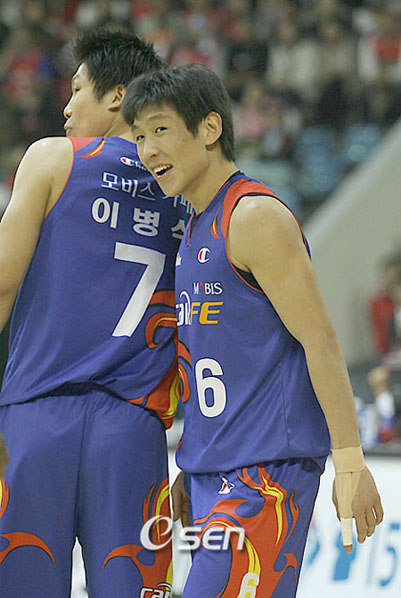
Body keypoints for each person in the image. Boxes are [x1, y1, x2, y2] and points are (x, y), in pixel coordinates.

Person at [122, 63, 384, 597]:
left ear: (209, 128)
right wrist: (196, 461)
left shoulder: (253, 216)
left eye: (160, 129)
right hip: (214, 472)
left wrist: (350, 462)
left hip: (265, 474)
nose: (148, 150)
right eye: (140, 136)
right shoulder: (194, 227)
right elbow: (217, 360)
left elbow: (321, 341)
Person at [0, 30, 190, 597]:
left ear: (117, 96)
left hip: (36, 419)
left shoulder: (51, 158)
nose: (66, 106)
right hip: (134, 432)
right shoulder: (186, 190)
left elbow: (2, 285)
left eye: (77, 89)